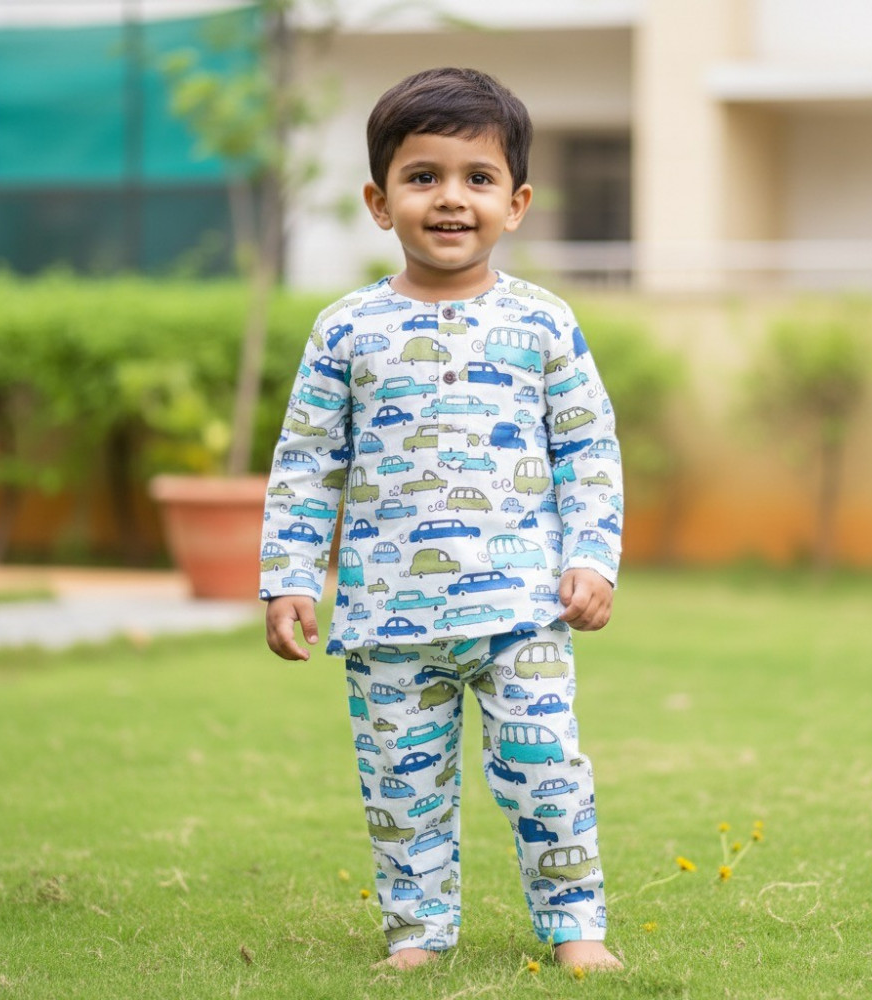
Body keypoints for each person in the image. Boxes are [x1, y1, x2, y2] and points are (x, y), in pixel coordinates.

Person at [261, 67, 624, 971]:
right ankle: (417, 934)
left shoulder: (543, 323)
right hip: (389, 616)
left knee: (548, 772)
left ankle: (578, 928)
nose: (451, 199)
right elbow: (308, 463)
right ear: (380, 202)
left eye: (477, 178)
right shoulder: (345, 330)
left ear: (517, 201)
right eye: (423, 178)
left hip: (523, 610)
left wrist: (593, 558)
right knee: (402, 786)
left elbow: (589, 452)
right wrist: (290, 577)